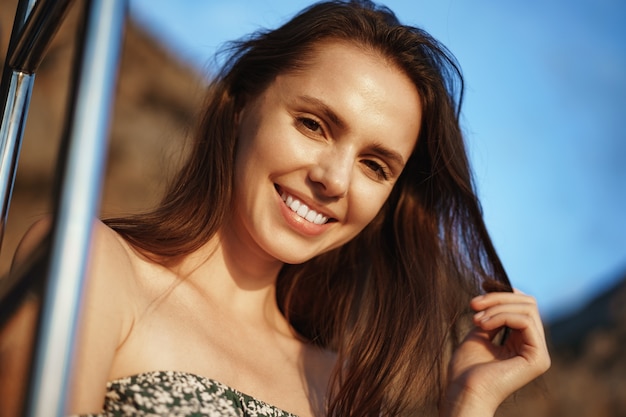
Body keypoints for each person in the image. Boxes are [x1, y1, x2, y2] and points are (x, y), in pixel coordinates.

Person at [9, 0, 550, 416]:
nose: (333, 180)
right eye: (314, 125)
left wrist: (471, 402)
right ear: (244, 104)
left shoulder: (342, 388)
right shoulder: (90, 263)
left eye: (374, 165)